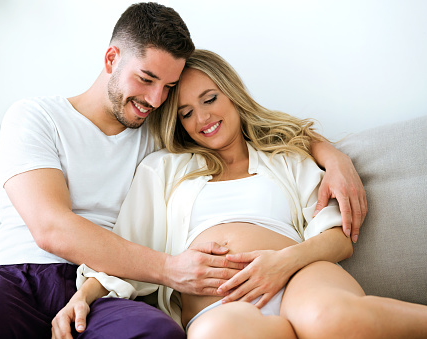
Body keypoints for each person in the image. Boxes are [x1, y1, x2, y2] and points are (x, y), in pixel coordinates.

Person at [0, 3, 365, 339]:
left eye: (167, 88)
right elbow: (52, 229)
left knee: (157, 335)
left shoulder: (163, 136)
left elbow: (246, 130)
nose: (155, 100)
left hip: (106, 286)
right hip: (19, 273)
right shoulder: (36, 116)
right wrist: (172, 270)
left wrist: (332, 156)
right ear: (112, 59)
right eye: (146, 79)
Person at [54, 49, 427, 339]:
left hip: (301, 279)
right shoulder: (162, 170)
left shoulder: (286, 157)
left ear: (231, 94)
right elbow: (127, 249)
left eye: (210, 98)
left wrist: (282, 263)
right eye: (185, 112)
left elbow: (337, 237)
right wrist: (82, 297)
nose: (202, 118)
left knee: (333, 320)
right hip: (221, 308)